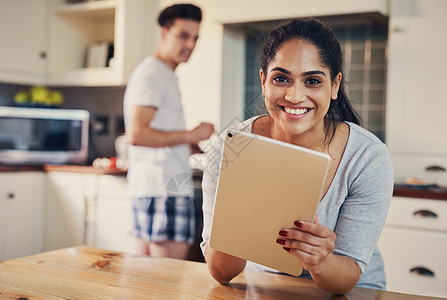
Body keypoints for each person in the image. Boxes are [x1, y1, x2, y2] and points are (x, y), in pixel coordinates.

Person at [200, 18, 393, 295]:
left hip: (351, 291)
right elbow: (221, 273)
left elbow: (346, 281)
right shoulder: (230, 148)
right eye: (281, 79)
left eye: (312, 81)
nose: (294, 95)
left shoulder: (367, 158)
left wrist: (322, 261)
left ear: (335, 85)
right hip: (264, 285)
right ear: (264, 81)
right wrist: (237, 215)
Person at [123, 3, 214, 259]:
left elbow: (152, 132)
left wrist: (185, 144)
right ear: (164, 32)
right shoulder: (154, 73)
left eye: (195, 37)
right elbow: (137, 134)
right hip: (165, 190)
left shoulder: (161, 73)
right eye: (183, 35)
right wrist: (190, 134)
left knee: (146, 282)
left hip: (155, 188)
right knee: (169, 284)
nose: (190, 45)